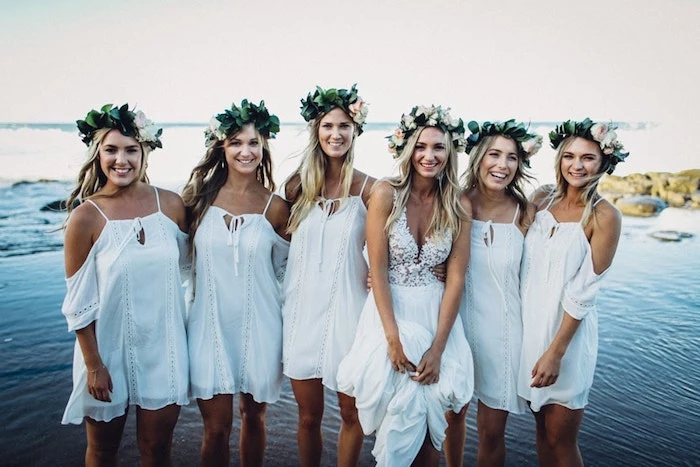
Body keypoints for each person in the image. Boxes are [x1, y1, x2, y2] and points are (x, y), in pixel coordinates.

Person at [337, 105, 474, 466]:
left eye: (438, 148)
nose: (429, 156)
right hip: (387, 313)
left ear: (450, 152)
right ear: (407, 148)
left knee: (431, 418)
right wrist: (392, 338)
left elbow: (457, 277)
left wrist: (438, 349)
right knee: (370, 408)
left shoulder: (458, 203)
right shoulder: (385, 194)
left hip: (436, 315)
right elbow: (377, 269)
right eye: (421, 146)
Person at [61, 104, 189, 466]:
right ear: (97, 155)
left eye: (131, 150)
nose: (122, 160)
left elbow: (197, 264)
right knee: (103, 452)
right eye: (111, 150)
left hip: (164, 348)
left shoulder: (172, 205)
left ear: (144, 152)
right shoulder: (86, 217)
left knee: (157, 450)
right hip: (106, 352)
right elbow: (78, 302)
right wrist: (94, 365)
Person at [181, 100, 290, 466]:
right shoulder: (196, 200)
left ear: (264, 147)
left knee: (254, 417)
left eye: (254, 143)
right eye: (236, 143)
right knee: (216, 428)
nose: (246, 151)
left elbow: (290, 270)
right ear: (221, 148)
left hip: (260, 326)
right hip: (208, 326)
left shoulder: (276, 207)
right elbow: (171, 260)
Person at [518, 119, 626, 465]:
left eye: (588, 158)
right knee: (540, 431)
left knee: (561, 439)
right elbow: (507, 251)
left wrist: (556, 353)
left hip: (567, 338)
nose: (577, 165)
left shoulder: (605, 215)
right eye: (569, 156)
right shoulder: (540, 198)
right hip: (530, 329)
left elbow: (585, 290)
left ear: (604, 162)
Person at [282, 84, 374, 467]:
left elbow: (396, 246)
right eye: (327, 126)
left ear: (356, 131)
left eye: (344, 126)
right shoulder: (295, 187)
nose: (336, 134)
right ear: (315, 131)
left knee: (353, 415)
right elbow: (273, 247)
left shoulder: (372, 189)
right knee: (307, 417)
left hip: (350, 317)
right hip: (301, 315)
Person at [443, 120, 542, 466]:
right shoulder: (454, 202)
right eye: (494, 154)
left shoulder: (526, 211)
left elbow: (539, 277)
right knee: (451, 419)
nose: (502, 165)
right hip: (456, 327)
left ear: (520, 164)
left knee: (491, 431)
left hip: (503, 334)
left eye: (512, 157)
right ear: (478, 157)